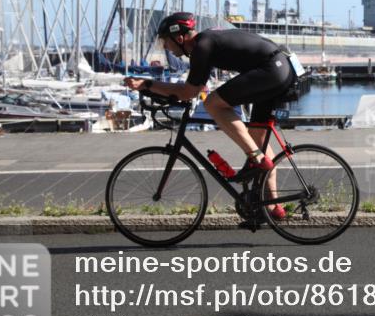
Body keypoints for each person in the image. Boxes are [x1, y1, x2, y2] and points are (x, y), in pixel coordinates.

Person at [123, 12, 296, 219]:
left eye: (165, 42)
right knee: (257, 136)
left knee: (213, 104)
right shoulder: (206, 42)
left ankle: (256, 158)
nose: (166, 48)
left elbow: (189, 92)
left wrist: (148, 84)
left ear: (179, 38)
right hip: (279, 67)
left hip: (271, 69)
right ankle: (273, 208)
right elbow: (194, 87)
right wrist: (155, 88)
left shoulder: (201, 47)